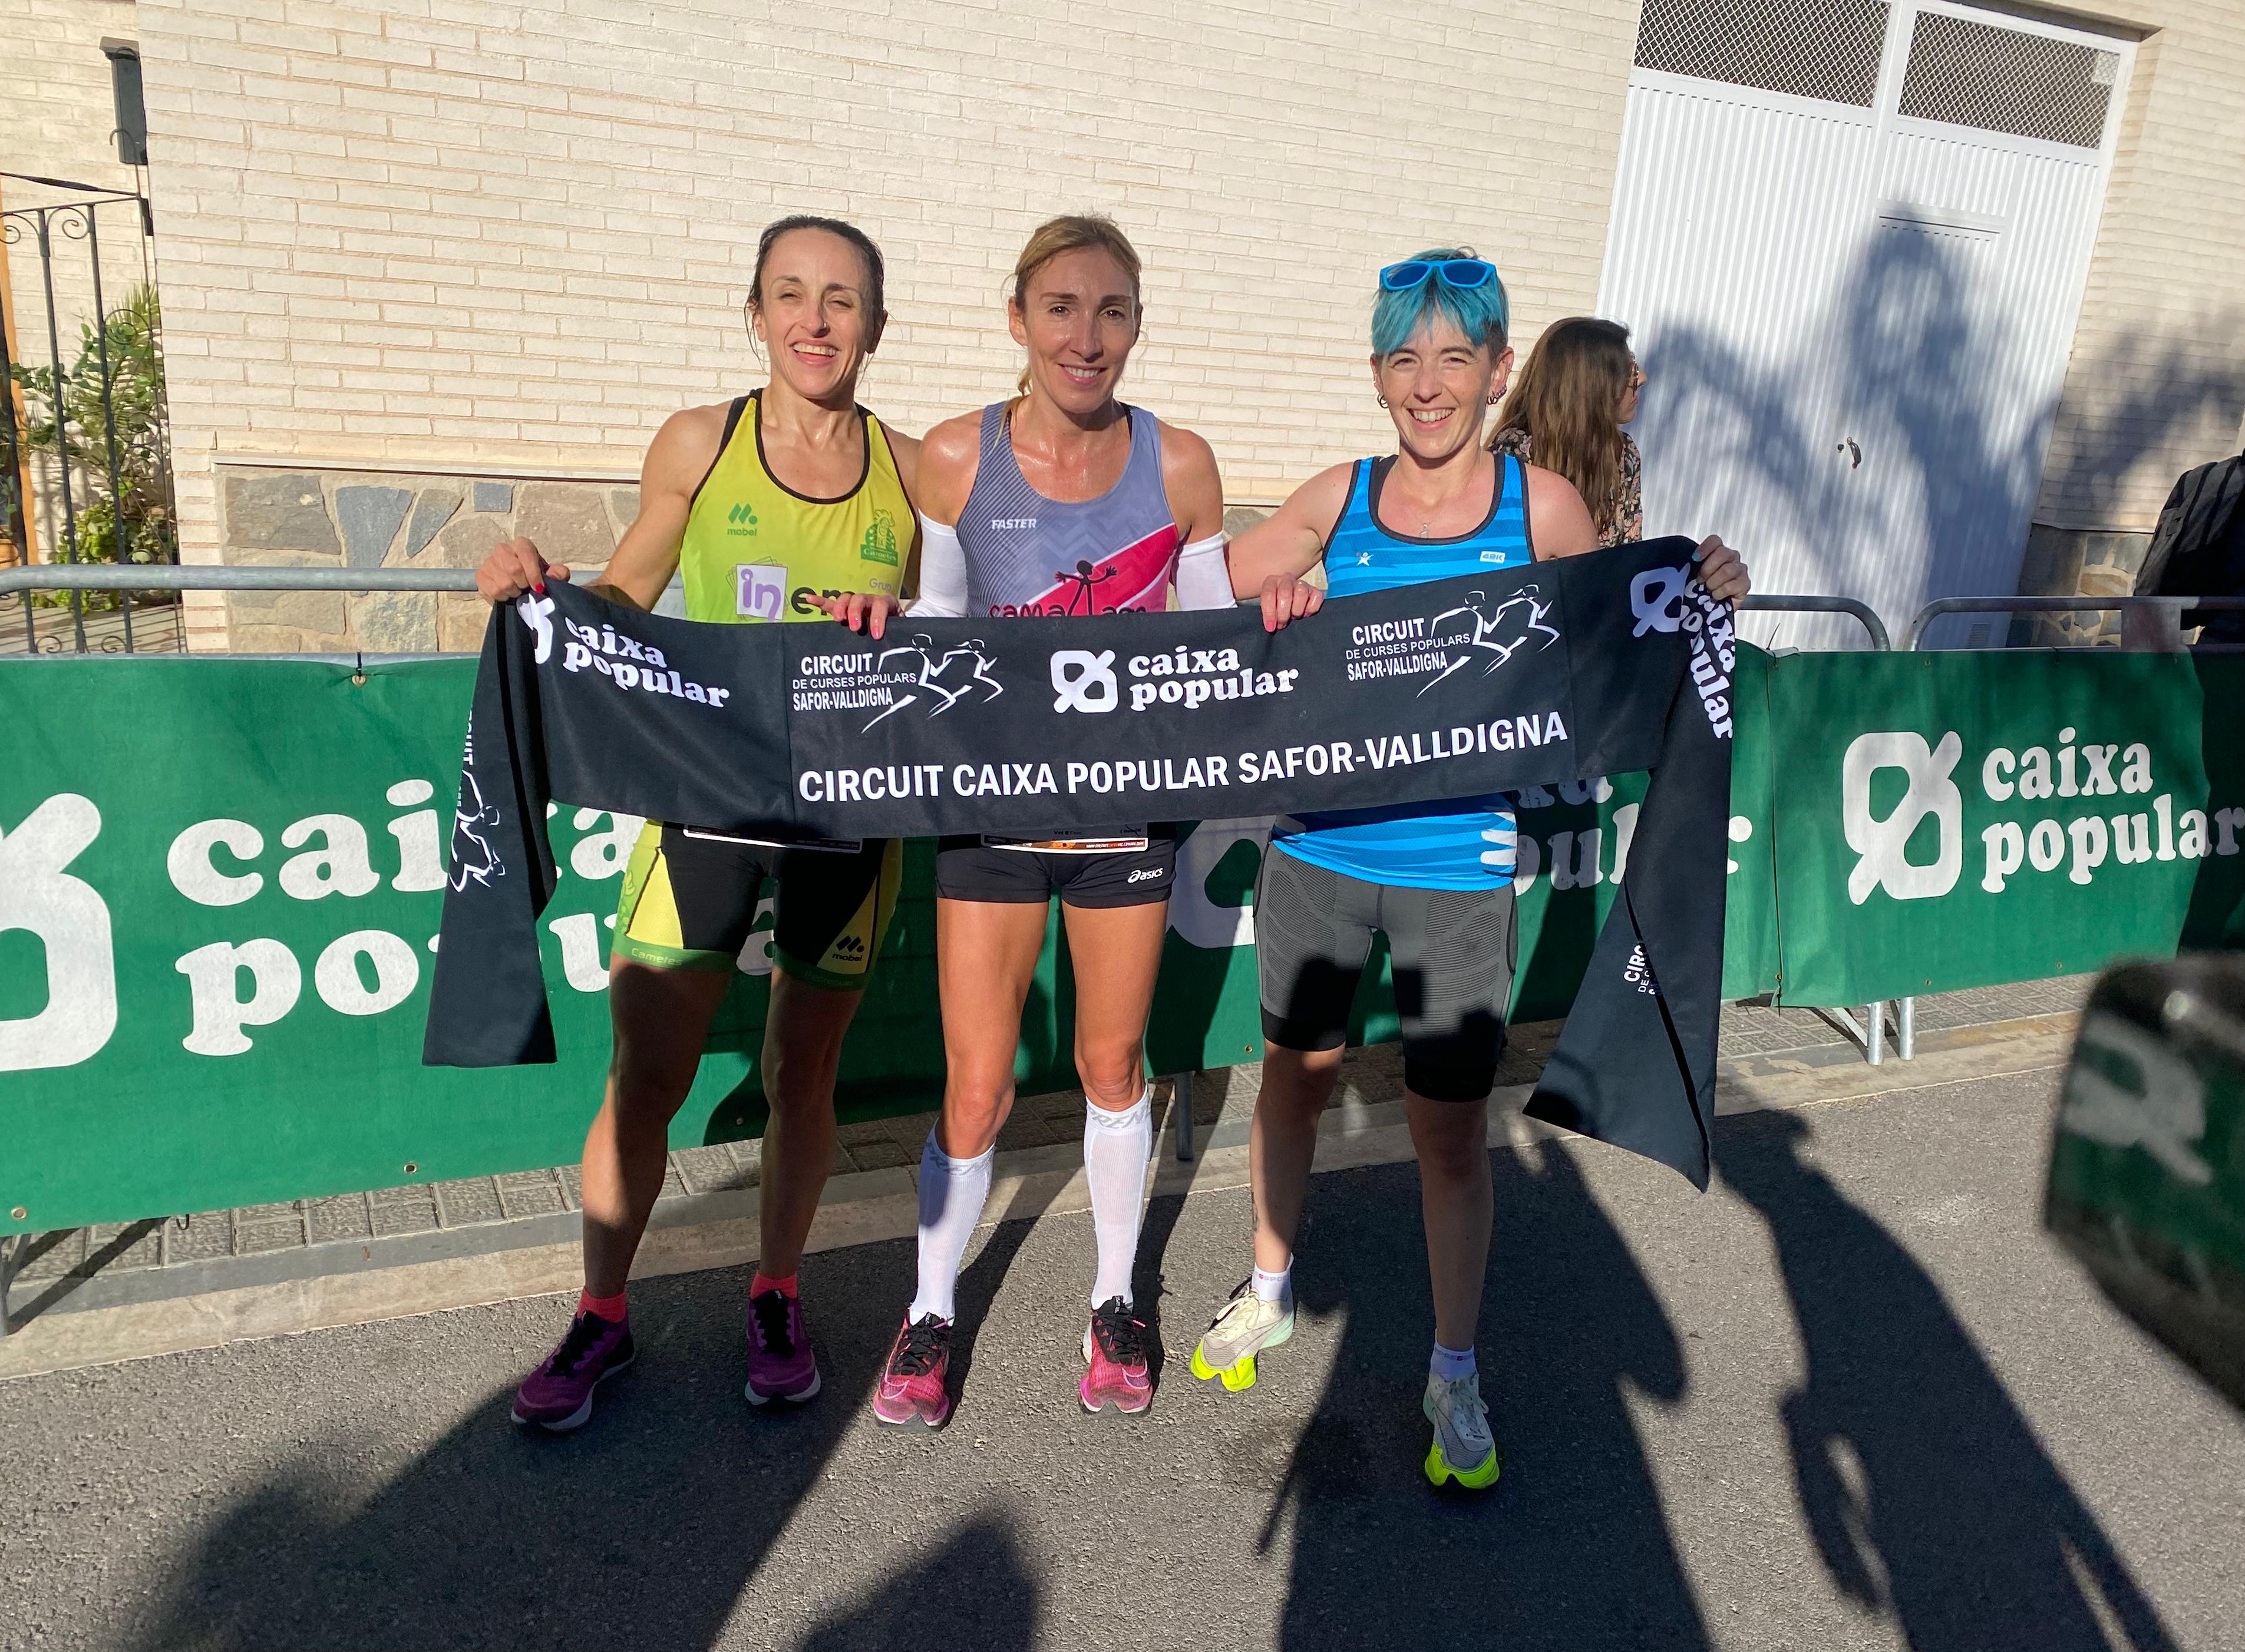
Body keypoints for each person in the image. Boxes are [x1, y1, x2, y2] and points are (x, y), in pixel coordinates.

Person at [1192, 250, 1748, 1489]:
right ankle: (1272, 1288)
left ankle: (1454, 1368)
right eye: (1405, 358)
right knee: (1293, 1082)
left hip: (1459, 870)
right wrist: (1271, 594)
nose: (1429, 385)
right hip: (1318, 853)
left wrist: (1707, 589)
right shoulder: (1336, 496)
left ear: (1499, 369)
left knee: (1449, 1137)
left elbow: (1626, 634)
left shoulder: (1541, 505)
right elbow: (1187, 600)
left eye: (1456, 358)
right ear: (1378, 373)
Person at [473, 215, 921, 1430]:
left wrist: (901, 613)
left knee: (802, 1071)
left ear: (875, 324)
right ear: (756, 313)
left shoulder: (916, 470)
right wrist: (540, 590)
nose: (815, 321)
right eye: (790, 294)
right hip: (704, 801)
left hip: (848, 814)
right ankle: (602, 1313)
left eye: (840, 299)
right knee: (648, 1073)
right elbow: (624, 592)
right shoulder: (699, 440)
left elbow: (952, 642)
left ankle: (776, 1291)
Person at [816, 214, 1233, 1426]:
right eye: (1061, 308)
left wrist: (1282, 599)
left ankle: (1116, 1299)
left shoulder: (1184, 465)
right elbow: (942, 628)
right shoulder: (953, 456)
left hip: (1124, 826)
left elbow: (1208, 653)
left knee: (1111, 1065)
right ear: (1019, 319)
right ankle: (931, 1309)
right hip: (991, 821)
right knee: (977, 1090)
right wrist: (883, 621)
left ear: (1136, 328)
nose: (1085, 336)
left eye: (1112, 312)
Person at [1488, 315, 1645, 549]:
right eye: (1628, 373)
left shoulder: (1624, 453)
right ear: (1593, 385)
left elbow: (1630, 556)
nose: (1641, 379)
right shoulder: (1515, 451)